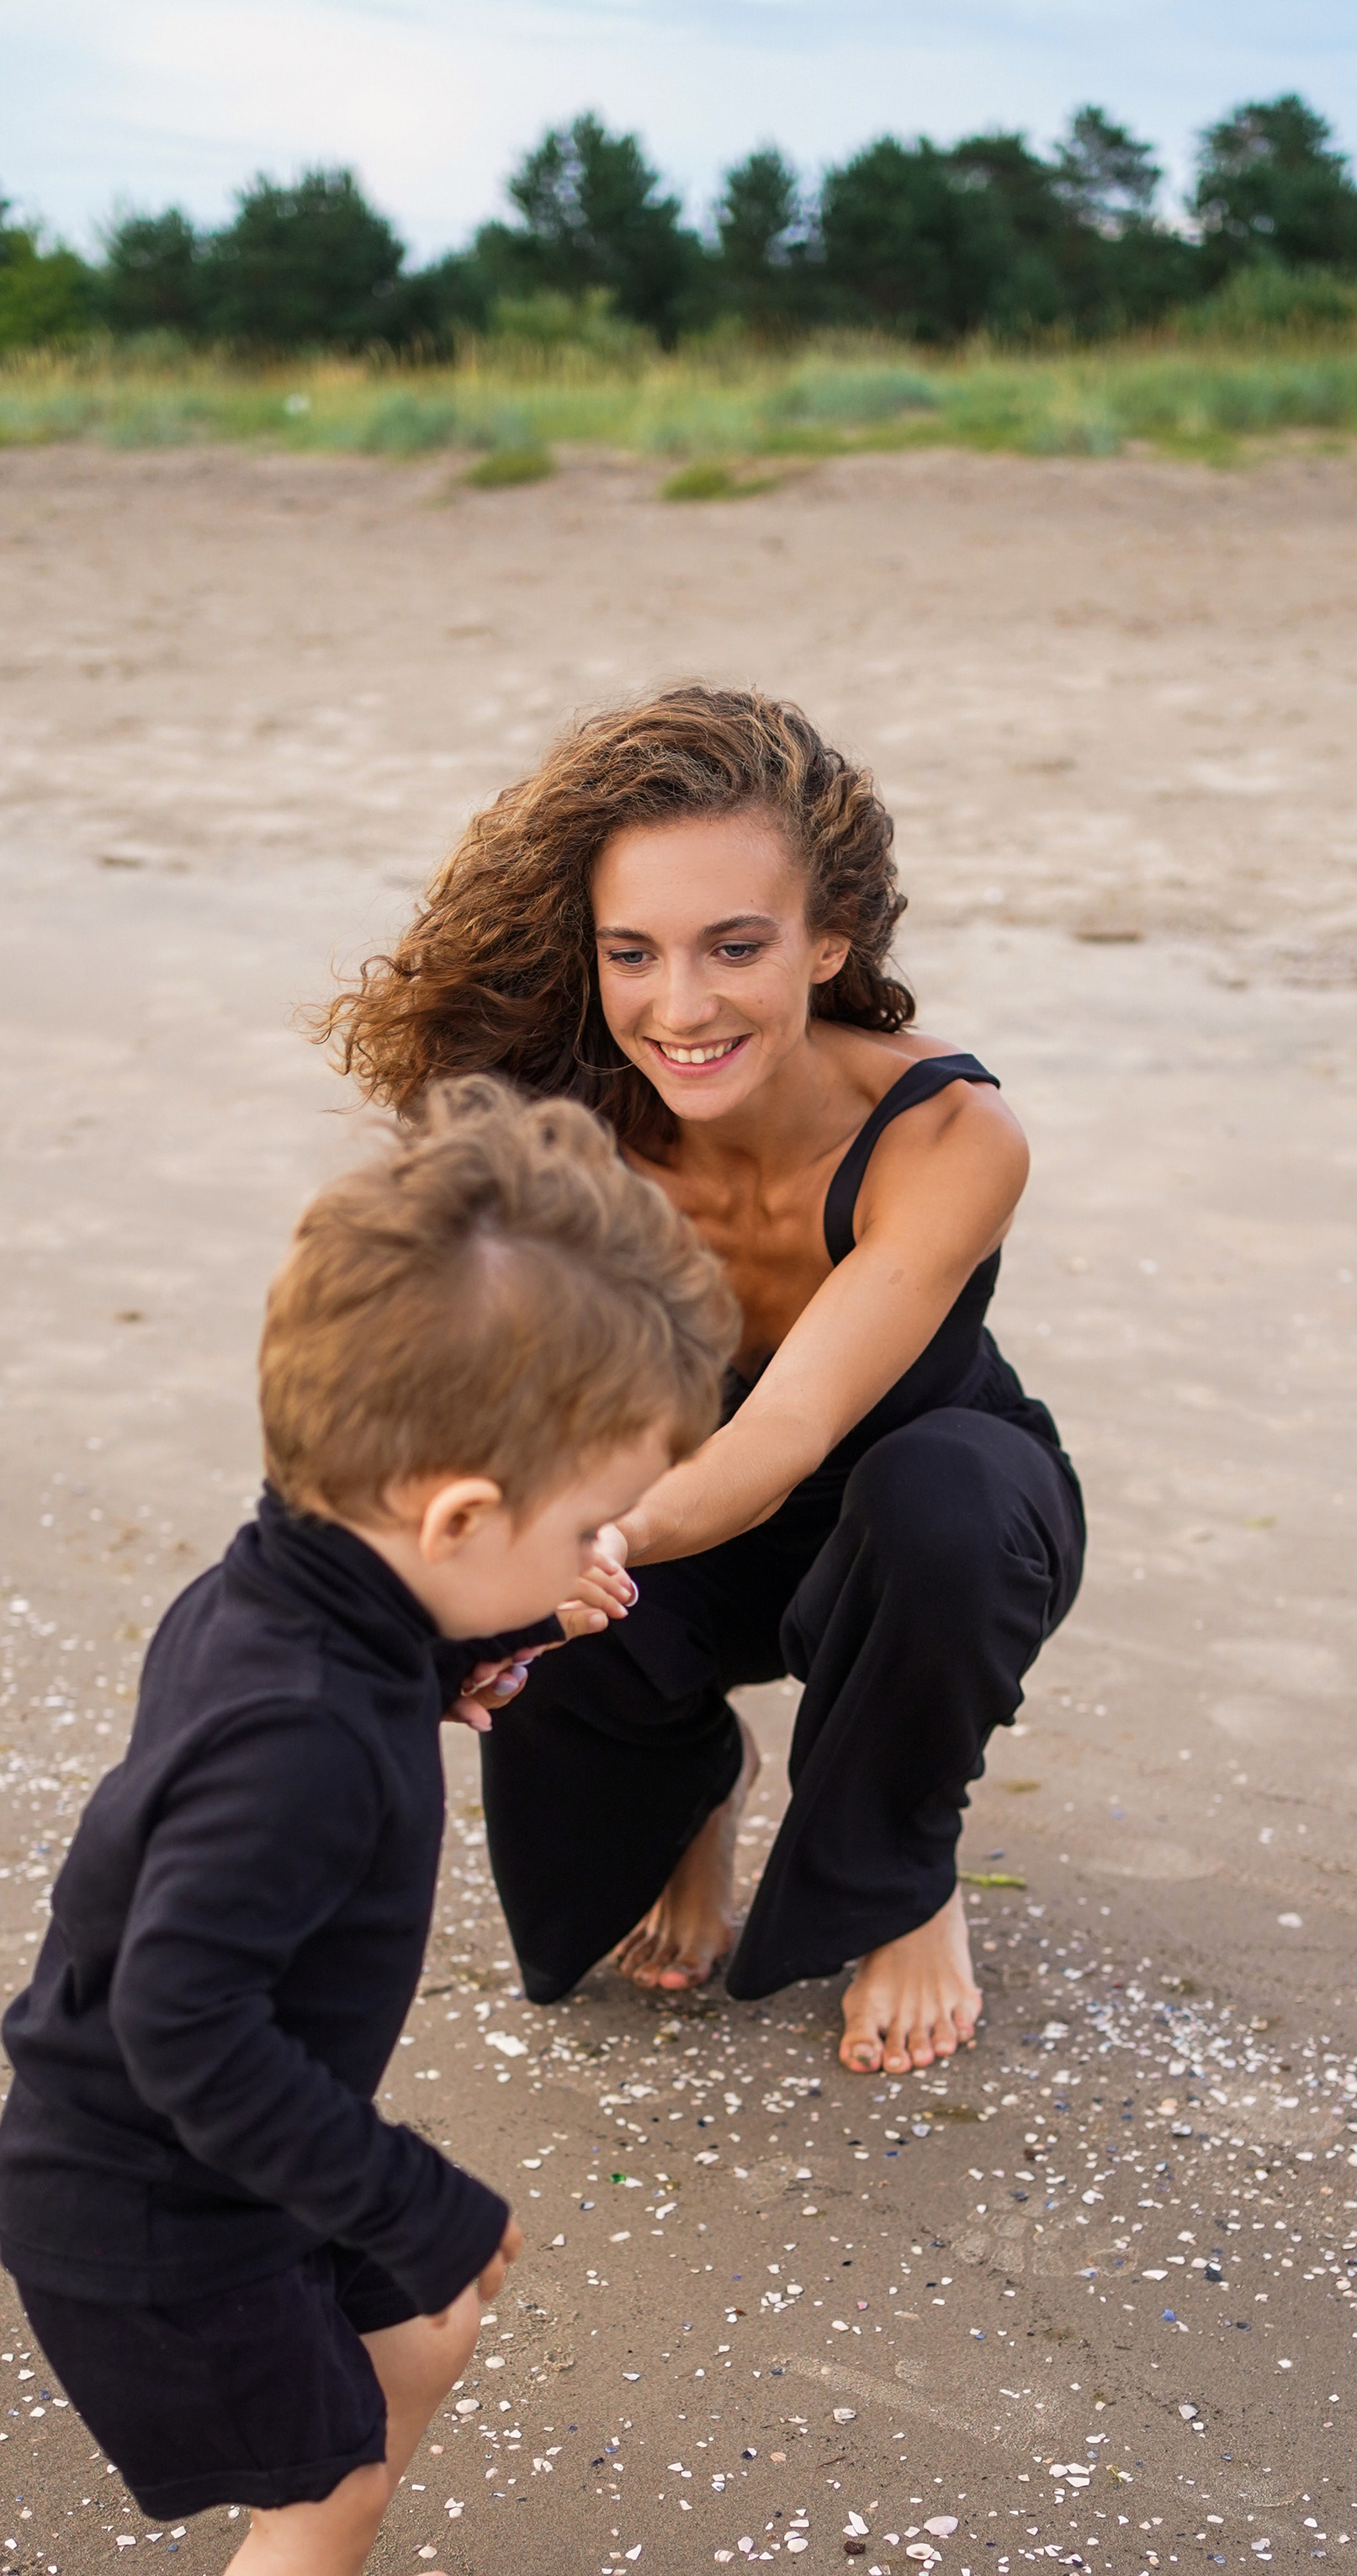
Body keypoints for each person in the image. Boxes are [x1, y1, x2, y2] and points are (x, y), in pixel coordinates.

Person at [0, 1081, 733, 2576]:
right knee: (325, 2458)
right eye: (588, 1521)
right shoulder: (303, 1735)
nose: (605, 1559)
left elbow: (344, 1675)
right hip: (155, 2203)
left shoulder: (294, 1599)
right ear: (459, 1503)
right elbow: (184, 2023)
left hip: (205, 2161)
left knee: (428, 2328)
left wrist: (464, 1654)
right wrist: (401, 2193)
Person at [324, 686, 1085, 2077]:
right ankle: (696, 1783)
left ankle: (903, 1869)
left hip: (919, 1529)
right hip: (677, 1536)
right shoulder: (559, 1133)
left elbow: (792, 1426)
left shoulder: (954, 1135)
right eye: (634, 953)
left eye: (736, 947)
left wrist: (596, 1541)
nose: (680, 1008)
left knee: (943, 1503)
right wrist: (448, 1599)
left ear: (828, 942)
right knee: (512, 1548)